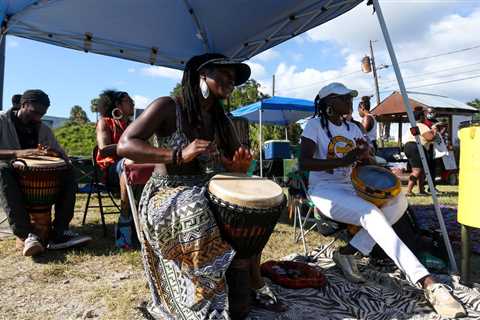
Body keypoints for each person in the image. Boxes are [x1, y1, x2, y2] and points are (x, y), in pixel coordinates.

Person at [118, 53, 285, 319]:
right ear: (201, 75)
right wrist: (177, 155)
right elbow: (125, 145)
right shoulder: (168, 107)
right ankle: (206, 297)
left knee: (266, 203)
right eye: (225, 75)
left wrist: (239, 169)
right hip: (168, 193)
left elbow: (234, 166)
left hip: (207, 188)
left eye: (234, 79)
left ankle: (251, 278)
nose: (232, 82)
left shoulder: (222, 119)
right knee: (194, 207)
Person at [299, 82, 465, 319]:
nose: (350, 101)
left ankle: (348, 251)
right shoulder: (314, 125)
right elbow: (304, 163)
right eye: (344, 97)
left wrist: (367, 158)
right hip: (324, 190)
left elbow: (364, 162)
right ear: (328, 102)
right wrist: (345, 160)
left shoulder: (353, 128)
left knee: (399, 201)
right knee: (372, 214)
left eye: (351, 97)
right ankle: (427, 282)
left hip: (351, 186)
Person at [0, 89, 91, 256]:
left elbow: (62, 155)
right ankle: (26, 235)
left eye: (41, 114)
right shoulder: (2, 121)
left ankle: (60, 233)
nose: (37, 118)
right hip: (8, 177)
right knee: (2, 169)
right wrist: (16, 153)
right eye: (34, 112)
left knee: (68, 170)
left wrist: (54, 154)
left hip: (35, 180)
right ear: (24, 105)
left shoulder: (42, 128)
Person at [95, 90, 135, 248]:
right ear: (117, 105)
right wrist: (131, 147)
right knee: (128, 163)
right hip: (111, 170)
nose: (132, 103)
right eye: (128, 101)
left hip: (130, 167)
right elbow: (104, 149)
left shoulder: (133, 125)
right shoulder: (105, 122)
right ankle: (125, 220)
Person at [404, 109, 438, 196]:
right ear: (421, 117)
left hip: (409, 146)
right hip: (416, 147)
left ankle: (421, 190)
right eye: (424, 116)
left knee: (422, 170)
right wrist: (434, 130)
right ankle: (408, 191)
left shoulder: (413, 126)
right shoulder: (421, 125)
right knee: (417, 170)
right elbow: (430, 138)